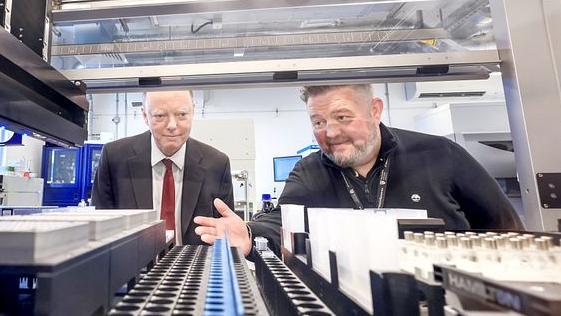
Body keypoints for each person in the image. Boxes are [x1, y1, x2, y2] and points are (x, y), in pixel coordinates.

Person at [194, 83, 523, 256]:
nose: (331, 132)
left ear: (375, 110)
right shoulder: (309, 172)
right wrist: (249, 234)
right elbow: (281, 221)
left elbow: (504, 229)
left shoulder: (440, 154)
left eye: (342, 117)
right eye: (319, 122)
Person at [92, 90, 234, 245]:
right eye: (160, 115)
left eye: (182, 114)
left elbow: (226, 235)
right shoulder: (114, 158)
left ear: (192, 111)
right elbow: (99, 231)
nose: (172, 125)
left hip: (196, 267)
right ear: (145, 115)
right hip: (132, 267)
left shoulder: (217, 164)